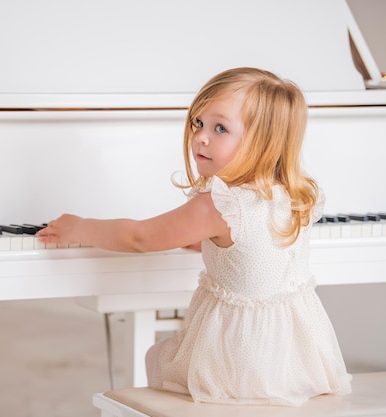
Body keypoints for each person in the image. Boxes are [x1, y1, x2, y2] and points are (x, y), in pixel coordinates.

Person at [38, 67, 352, 406]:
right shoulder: (295, 195)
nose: (201, 137)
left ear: (263, 142)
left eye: (220, 128)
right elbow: (247, 246)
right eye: (198, 123)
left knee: (157, 356)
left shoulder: (220, 205)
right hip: (296, 357)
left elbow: (139, 237)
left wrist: (79, 227)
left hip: (238, 361)